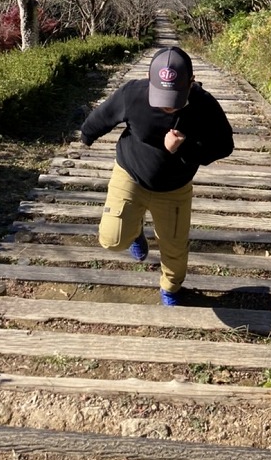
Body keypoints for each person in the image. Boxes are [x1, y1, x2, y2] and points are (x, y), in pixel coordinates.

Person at [79, 46, 235, 306]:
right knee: (112, 239)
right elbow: (103, 115)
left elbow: (224, 146)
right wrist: (87, 135)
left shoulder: (204, 105)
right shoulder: (134, 94)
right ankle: (135, 230)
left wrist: (184, 148)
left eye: (174, 99)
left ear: (191, 84)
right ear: (150, 82)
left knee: (174, 248)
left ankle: (171, 288)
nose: (167, 107)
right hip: (130, 173)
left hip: (175, 187)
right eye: (161, 97)